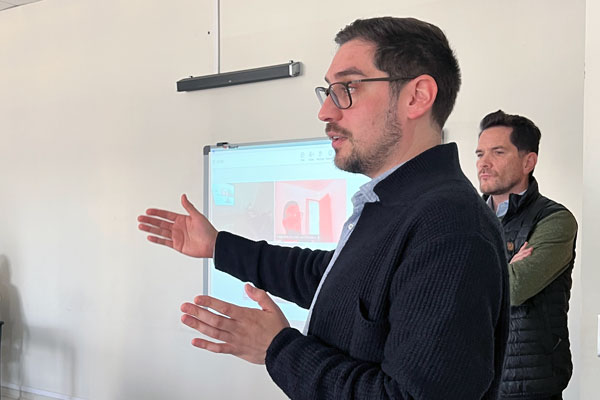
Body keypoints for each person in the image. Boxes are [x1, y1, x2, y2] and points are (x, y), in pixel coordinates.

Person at [138, 17, 509, 399]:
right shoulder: (399, 204)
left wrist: (278, 349)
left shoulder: (450, 225)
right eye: (329, 91)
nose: (326, 112)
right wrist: (219, 246)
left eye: (348, 88)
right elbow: (332, 281)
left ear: (417, 96)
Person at [475, 110, 577, 400]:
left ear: (528, 161)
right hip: (475, 380)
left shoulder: (555, 220)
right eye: (480, 153)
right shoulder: (465, 219)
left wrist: (469, 272)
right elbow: (435, 288)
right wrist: (505, 267)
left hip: (531, 386)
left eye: (497, 152)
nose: (483, 163)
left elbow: (516, 287)